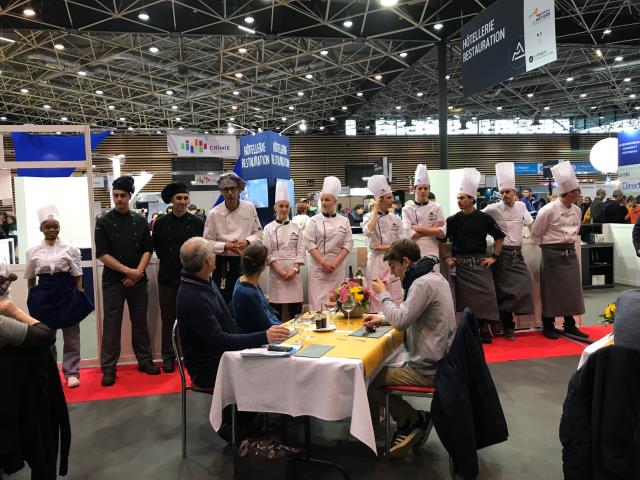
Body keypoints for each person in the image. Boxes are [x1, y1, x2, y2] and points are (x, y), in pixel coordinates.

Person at [364, 239, 456, 458]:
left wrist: (383, 293)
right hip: (441, 359)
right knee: (379, 364)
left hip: (427, 369)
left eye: (394, 267)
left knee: (368, 377)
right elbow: (410, 313)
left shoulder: (421, 284)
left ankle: (411, 420)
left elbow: (401, 321)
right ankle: (409, 419)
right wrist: (381, 319)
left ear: (405, 262)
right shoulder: (433, 277)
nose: (394, 274)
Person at [176, 237, 290, 389]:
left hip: (223, 355)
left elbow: (227, 321)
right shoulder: (193, 297)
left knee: (278, 360)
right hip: (210, 367)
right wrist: (263, 336)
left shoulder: (202, 281)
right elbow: (219, 340)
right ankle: (254, 411)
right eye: (212, 253)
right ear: (209, 261)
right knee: (277, 369)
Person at [95, 175, 159, 387]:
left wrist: (137, 272)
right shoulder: (103, 221)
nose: (119, 199)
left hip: (137, 280)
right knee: (111, 324)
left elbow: (147, 249)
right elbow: (102, 254)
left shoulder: (140, 221)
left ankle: (145, 361)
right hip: (113, 281)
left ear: (130, 196)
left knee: (140, 322)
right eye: (116, 195)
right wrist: (128, 272)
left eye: (123, 195)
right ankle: (108, 368)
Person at [25, 205, 94, 388]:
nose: (52, 230)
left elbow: (77, 275)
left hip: (67, 293)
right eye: (48, 227)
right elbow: (30, 277)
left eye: (55, 226)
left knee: (72, 337)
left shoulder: (70, 249)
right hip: (44, 295)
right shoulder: (32, 251)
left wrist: (79, 294)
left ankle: (72, 373)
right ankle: (50, 372)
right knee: (47, 337)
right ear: (41, 228)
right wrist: (32, 297)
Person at [445, 168, 505, 344]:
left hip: (480, 262)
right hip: (462, 264)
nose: (459, 201)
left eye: (462, 198)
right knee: (467, 301)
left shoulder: (484, 218)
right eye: (458, 198)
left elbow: (500, 237)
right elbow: (441, 240)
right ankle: (472, 330)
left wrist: (494, 257)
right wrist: (447, 257)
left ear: (472, 199)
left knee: (487, 296)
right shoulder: (452, 220)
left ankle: (483, 327)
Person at [531, 162, 588, 340]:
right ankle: (548, 325)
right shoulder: (548, 210)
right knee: (551, 290)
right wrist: (550, 249)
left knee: (572, 291)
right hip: (551, 253)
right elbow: (536, 233)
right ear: (570, 192)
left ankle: (569, 325)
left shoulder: (577, 210)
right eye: (578, 190)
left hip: (569, 251)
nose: (579, 194)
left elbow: (576, 230)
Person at [152, 181, 204, 373]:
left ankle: (193, 355)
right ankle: (168, 356)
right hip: (167, 279)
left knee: (194, 319)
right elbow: (157, 248)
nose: (182, 201)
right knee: (168, 320)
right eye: (178, 198)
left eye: (185, 198)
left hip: (192, 280)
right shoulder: (160, 224)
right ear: (171, 201)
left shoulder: (198, 223)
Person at [482, 163, 535, 341]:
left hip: (517, 254)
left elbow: (531, 224)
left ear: (514, 192)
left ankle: (505, 322)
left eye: (508, 192)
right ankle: (506, 325)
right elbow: (476, 217)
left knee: (524, 285)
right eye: (502, 192)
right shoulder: (492, 208)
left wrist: (537, 237)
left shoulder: (521, 206)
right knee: (503, 290)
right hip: (501, 254)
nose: (504, 195)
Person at [203, 172, 263, 304]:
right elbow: (206, 243)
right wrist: (226, 246)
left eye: (233, 188)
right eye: (226, 189)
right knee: (224, 301)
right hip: (224, 263)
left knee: (248, 300)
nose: (230, 192)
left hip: (246, 260)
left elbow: (259, 235)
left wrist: (247, 241)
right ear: (221, 191)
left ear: (239, 189)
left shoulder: (249, 207)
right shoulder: (214, 213)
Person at [304, 176, 353, 311]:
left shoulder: (344, 221)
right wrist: (323, 263)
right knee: (317, 307)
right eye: (322, 200)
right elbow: (309, 243)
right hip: (318, 269)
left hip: (336, 270)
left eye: (327, 200)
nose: (324, 203)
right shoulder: (313, 220)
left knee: (337, 304)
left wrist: (335, 263)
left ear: (335, 201)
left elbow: (348, 244)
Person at [262, 181, 305, 321]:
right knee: (276, 314)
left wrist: (294, 269)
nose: (284, 209)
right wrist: (279, 270)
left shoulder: (296, 227)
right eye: (281, 206)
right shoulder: (268, 228)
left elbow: (301, 251)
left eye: (287, 206)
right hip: (276, 274)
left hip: (294, 275)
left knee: (296, 313)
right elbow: (267, 252)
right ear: (275, 207)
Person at [362, 175, 404, 312]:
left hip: (394, 261)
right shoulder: (368, 217)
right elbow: (368, 232)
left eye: (392, 197)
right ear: (380, 200)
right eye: (389, 197)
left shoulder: (396, 219)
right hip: (375, 262)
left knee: (394, 295)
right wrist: (375, 210)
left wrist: (383, 247)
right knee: (375, 297)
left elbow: (403, 243)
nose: (392, 200)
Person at [402, 164, 446, 269]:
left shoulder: (437, 207)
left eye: (426, 188)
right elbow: (407, 234)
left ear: (429, 189)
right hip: (413, 252)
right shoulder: (407, 209)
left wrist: (417, 228)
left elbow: (441, 233)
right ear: (414, 189)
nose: (423, 191)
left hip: (433, 251)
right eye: (420, 188)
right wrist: (432, 229)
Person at [232, 244, 282, 333]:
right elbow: (267, 326)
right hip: (259, 339)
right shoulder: (248, 293)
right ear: (263, 265)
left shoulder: (243, 280)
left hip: (266, 331)